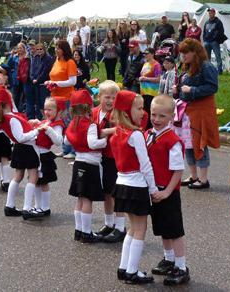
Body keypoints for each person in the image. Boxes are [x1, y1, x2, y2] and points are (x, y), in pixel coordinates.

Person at [110, 90, 157, 284]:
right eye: (138, 108)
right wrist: (153, 189)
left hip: (121, 183)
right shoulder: (136, 135)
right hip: (136, 185)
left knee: (132, 228)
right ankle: (132, 270)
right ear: (127, 111)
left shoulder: (117, 133)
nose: (143, 112)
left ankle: (124, 267)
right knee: (140, 229)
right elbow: (145, 166)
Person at [146, 95, 190, 285]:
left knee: (174, 230)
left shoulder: (172, 140)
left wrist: (167, 191)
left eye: (162, 116)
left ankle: (181, 266)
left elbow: (178, 170)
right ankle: (169, 258)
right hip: (154, 189)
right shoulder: (148, 134)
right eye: (153, 115)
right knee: (163, 228)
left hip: (167, 191)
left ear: (172, 117)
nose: (156, 119)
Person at [0, 86, 43, 220]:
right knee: (33, 176)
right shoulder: (10, 118)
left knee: (17, 176)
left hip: (19, 149)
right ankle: (27, 208)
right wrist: (37, 131)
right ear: (7, 102)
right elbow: (21, 137)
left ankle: (10, 206)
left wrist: (29, 123)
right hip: (27, 147)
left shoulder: (4, 118)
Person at [175, 38, 220, 189]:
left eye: (186, 53)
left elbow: (212, 87)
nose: (183, 56)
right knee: (187, 143)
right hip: (188, 111)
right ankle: (193, 176)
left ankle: (203, 179)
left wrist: (192, 90)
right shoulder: (187, 66)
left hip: (201, 111)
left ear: (195, 52)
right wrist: (179, 89)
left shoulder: (206, 66)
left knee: (199, 144)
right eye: (182, 53)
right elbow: (186, 85)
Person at [65, 90, 107, 243]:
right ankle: (87, 233)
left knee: (80, 199)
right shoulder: (90, 125)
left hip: (78, 162)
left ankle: (79, 230)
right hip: (90, 163)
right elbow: (93, 143)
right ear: (89, 107)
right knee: (88, 199)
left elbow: (66, 141)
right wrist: (105, 141)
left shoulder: (72, 123)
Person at [93, 81, 126, 243]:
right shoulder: (94, 112)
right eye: (107, 97)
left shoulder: (118, 114)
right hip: (99, 157)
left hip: (114, 157)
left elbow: (126, 128)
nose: (110, 101)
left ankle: (120, 227)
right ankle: (109, 223)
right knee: (106, 192)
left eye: (114, 98)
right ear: (99, 97)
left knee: (116, 192)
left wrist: (108, 130)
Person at [31, 97, 65, 216]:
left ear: (59, 111)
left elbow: (59, 141)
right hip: (36, 155)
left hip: (44, 155)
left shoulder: (57, 125)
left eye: (50, 109)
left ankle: (45, 208)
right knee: (36, 182)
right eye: (45, 109)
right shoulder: (47, 121)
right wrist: (37, 123)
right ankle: (37, 206)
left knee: (44, 183)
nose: (46, 112)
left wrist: (49, 130)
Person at [45, 40, 77, 159]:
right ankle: (65, 149)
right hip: (56, 98)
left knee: (69, 123)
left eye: (58, 48)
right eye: (55, 48)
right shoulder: (57, 61)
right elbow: (53, 77)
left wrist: (56, 83)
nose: (56, 50)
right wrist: (49, 82)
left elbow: (73, 81)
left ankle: (74, 150)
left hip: (67, 98)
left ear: (64, 49)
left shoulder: (70, 62)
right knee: (62, 124)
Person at [29, 43, 53, 120]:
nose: (39, 51)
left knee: (44, 103)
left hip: (43, 84)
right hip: (35, 84)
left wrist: (38, 79)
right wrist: (32, 78)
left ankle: (47, 118)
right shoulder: (35, 58)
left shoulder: (48, 59)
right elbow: (32, 69)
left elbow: (45, 71)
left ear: (44, 50)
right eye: (38, 49)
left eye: (41, 49)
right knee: (38, 103)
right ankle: (43, 118)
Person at [139, 47, 162, 128]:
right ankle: (145, 128)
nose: (145, 55)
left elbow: (158, 79)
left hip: (152, 93)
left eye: (147, 53)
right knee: (144, 111)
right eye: (144, 54)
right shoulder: (145, 64)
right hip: (143, 92)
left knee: (149, 112)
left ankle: (150, 128)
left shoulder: (156, 65)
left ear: (152, 54)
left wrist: (145, 79)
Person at [203, 8, 227, 75]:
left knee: (218, 57)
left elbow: (221, 31)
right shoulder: (207, 22)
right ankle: (208, 70)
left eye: (211, 13)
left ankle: (219, 71)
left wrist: (216, 39)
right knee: (207, 57)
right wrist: (204, 39)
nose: (210, 14)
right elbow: (204, 32)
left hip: (214, 42)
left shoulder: (218, 22)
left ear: (214, 13)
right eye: (209, 13)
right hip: (207, 42)